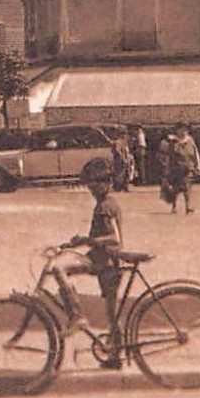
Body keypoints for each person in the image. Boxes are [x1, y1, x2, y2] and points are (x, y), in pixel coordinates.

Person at [62, 157, 125, 369]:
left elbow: (114, 238)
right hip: (105, 260)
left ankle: (76, 315)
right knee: (111, 312)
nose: (90, 188)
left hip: (105, 261)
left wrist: (86, 241)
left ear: (105, 183)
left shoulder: (104, 206)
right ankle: (116, 355)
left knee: (59, 269)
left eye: (93, 184)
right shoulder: (107, 203)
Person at [164, 123, 200, 215]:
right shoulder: (173, 142)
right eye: (181, 129)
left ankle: (188, 207)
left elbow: (196, 152)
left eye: (185, 130)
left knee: (187, 188)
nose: (184, 132)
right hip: (176, 168)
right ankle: (174, 206)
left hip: (188, 167)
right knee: (176, 189)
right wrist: (167, 168)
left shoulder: (190, 140)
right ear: (177, 130)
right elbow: (169, 156)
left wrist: (198, 164)